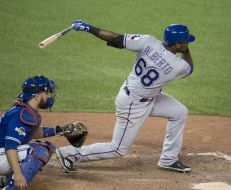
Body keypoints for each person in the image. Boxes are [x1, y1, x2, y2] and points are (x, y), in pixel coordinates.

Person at [56, 20, 195, 173]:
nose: (187, 43)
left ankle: (169, 159)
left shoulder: (148, 41)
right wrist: (186, 50)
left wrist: (89, 28)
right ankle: (68, 154)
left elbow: (115, 39)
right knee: (117, 149)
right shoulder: (178, 66)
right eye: (186, 41)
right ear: (178, 45)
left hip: (144, 95)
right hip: (133, 104)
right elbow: (190, 67)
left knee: (179, 112)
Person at [0, 75, 66, 190]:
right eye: (46, 93)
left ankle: (6, 179)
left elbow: (31, 132)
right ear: (36, 97)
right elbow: (10, 145)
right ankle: (11, 187)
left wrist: (58, 130)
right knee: (39, 150)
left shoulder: (26, 108)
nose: (48, 97)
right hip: (2, 153)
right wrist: (19, 175)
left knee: (44, 148)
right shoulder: (22, 114)